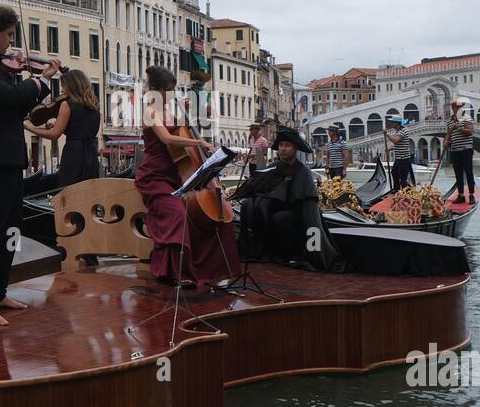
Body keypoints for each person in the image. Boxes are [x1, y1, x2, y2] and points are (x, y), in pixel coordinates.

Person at [0, 5, 62, 326]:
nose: (11, 43)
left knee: (12, 226)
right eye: (8, 35)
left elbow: (16, 103)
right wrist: (41, 82)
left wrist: (34, 87)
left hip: (8, 154)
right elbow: (7, 97)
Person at [135, 65, 241, 289]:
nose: (172, 94)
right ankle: (174, 271)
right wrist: (199, 142)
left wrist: (185, 116)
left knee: (204, 216)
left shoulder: (169, 111)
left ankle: (210, 270)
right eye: (169, 90)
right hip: (154, 177)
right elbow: (168, 140)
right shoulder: (149, 112)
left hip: (176, 175)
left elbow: (179, 135)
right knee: (177, 214)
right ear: (156, 89)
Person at [235, 126, 337, 270]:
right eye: (281, 145)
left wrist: (314, 247)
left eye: (287, 145)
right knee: (249, 205)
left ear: (295, 149)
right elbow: (259, 188)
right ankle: (256, 251)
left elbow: (308, 207)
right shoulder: (274, 167)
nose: (283, 149)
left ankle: (288, 255)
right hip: (272, 209)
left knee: (281, 218)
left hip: (296, 214)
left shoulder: (303, 172)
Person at [22, 68, 101, 185]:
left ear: (72, 86)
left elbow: (54, 135)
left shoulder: (67, 104)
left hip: (74, 154)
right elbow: (80, 130)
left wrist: (29, 127)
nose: (62, 89)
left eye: (64, 86)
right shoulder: (95, 108)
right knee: (88, 194)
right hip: (91, 155)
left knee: (69, 193)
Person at [445, 99, 476, 204]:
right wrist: (446, 142)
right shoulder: (449, 121)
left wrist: (458, 128)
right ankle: (461, 195)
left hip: (466, 149)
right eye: (456, 107)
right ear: (453, 108)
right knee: (458, 173)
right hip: (455, 150)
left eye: (460, 107)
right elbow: (448, 134)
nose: (458, 109)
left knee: (468, 172)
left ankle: (471, 195)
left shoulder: (466, 118)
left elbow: (470, 131)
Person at [384, 117, 416, 189]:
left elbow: (396, 140)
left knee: (403, 178)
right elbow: (400, 144)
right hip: (399, 158)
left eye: (392, 123)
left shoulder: (403, 131)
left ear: (396, 123)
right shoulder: (398, 131)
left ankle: (406, 192)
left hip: (403, 158)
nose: (391, 124)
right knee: (394, 173)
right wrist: (390, 149)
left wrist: (387, 134)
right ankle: (397, 189)